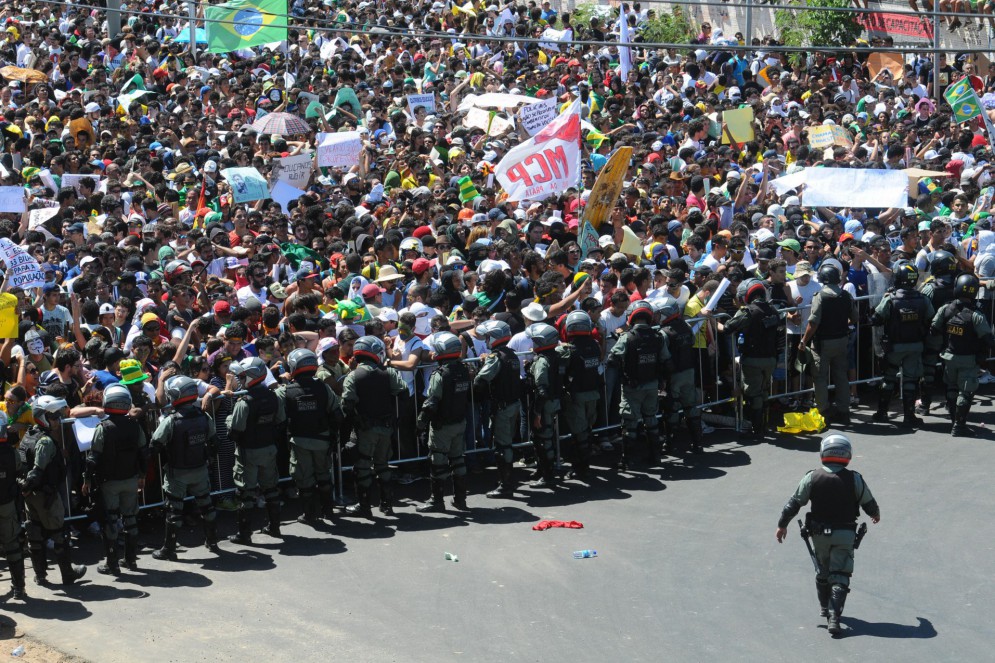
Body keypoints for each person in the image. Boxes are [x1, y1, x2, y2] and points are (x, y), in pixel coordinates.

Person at [775, 433, 881, 636]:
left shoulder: (812, 477)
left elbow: (793, 504)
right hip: (845, 535)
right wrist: (875, 514)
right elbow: (869, 503)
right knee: (840, 574)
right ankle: (834, 616)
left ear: (823, 452)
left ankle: (824, 607)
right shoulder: (855, 478)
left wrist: (782, 525)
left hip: (819, 535)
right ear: (847, 454)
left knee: (822, 570)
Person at [19, 395, 86, 585]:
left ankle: (40, 575)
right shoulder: (45, 442)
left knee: (35, 533)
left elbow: (21, 466)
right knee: (59, 533)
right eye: (53, 417)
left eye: (58, 416)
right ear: (42, 417)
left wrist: (24, 489)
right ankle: (67, 574)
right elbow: (37, 471)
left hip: (32, 496)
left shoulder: (29, 435)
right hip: (46, 494)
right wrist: (29, 485)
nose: (57, 420)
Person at [151, 376, 220, 560]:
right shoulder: (204, 416)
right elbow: (214, 441)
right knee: (206, 505)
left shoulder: (171, 421)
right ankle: (212, 541)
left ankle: (169, 549)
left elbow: (155, 444)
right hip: (199, 469)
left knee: (174, 511)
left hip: (178, 473)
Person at [84, 384, 148, 574]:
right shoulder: (135, 427)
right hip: (130, 479)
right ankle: (131, 561)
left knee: (111, 520)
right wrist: (142, 475)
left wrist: (87, 480)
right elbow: (144, 453)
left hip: (109, 482)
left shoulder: (104, 428)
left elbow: (92, 458)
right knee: (131, 519)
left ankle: (112, 564)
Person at [341, 336, 407, 518]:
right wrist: (395, 417)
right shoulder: (389, 373)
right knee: (383, 465)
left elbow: (346, 404)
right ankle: (387, 505)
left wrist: (352, 422)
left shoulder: (353, 376)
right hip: (386, 427)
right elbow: (403, 393)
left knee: (362, 467)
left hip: (364, 430)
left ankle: (364, 507)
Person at [276, 349, 342, 525]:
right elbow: (337, 414)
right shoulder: (324, 387)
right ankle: (328, 511)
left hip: (299, 441)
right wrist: (332, 434)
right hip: (322, 438)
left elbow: (280, 420)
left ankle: (309, 515)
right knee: (323, 475)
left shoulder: (285, 392)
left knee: (305, 479)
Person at [226, 358, 286, 543]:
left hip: (249, 451)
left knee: (246, 493)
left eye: (242, 376)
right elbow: (281, 421)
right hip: (268, 448)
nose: (239, 379)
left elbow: (235, 431)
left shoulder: (244, 402)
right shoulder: (274, 396)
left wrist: (229, 419)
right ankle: (275, 527)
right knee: (271, 489)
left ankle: (244, 535)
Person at [870, 262, 934, 428]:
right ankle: (909, 416)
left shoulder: (890, 299)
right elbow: (931, 320)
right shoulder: (923, 299)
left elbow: (876, 318)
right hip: (915, 345)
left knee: (888, 379)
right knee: (911, 381)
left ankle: (882, 413)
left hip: (894, 346)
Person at [930, 274, 995, 436]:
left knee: (951, 390)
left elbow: (934, 329)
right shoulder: (976, 315)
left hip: (948, 357)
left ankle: (954, 421)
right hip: (968, 360)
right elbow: (988, 340)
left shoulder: (946, 309)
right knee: (965, 392)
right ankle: (959, 426)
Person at [609, 300, 670, 469]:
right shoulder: (659, 337)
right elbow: (666, 360)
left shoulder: (627, 338)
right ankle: (655, 457)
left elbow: (612, 359)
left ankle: (627, 460)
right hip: (652, 385)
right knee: (651, 419)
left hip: (632, 387)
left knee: (630, 423)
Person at [415, 332, 471, 513]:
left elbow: (432, 402)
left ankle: (436, 501)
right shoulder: (464, 369)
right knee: (458, 461)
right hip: (459, 422)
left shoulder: (440, 374)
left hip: (442, 426)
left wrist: (421, 423)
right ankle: (461, 501)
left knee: (437, 462)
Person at [800, 265, 858, 425]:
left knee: (820, 378)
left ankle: (823, 412)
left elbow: (813, 323)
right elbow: (854, 317)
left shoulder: (820, 296)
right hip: (841, 340)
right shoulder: (845, 295)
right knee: (841, 376)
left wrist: (804, 341)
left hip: (823, 343)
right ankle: (844, 412)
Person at [724, 278, 780, 442]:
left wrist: (713, 321)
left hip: (753, 359)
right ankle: (763, 425)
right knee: (762, 391)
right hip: (770, 358)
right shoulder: (772, 310)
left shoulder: (748, 311)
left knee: (752, 394)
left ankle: (757, 429)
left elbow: (728, 327)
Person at [473, 320, 524, 498]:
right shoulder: (512, 354)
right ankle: (507, 480)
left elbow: (481, 380)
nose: (486, 339)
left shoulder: (496, 357)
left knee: (502, 446)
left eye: (488, 336)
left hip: (502, 406)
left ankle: (506, 485)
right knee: (507, 444)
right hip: (513, 404)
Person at [557, 311, 603, 480]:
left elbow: (561, 371)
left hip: (576, 395)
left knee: (579, 433)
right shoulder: (595, 345)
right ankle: (584, 465)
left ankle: (580, 468)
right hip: (593, 393)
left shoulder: (568, 349)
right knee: (587, 430)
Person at [656, 297, 704, 454]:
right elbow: (690, 342)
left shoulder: (664, 333)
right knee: (690, 406)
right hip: (688, 370)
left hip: (674, 374)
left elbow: (663, 356)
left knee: (672, 408)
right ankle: (697, 443)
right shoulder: (685, 326)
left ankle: (669, 444)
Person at [917, 250, 957, 416]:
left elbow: (921, 310)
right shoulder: (958, 285)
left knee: (928, 370)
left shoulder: (930, 288)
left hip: (933, 334)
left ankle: (925, 404)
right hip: (953, 334)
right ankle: (951, 404)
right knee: (950, 369)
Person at [525, 323, 563, 488]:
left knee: (544, 439)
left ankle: (547, 475)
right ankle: (542, 469)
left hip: (544, 404)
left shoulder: (542, 361)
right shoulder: (556, 356)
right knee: (542, 437)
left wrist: (537, 413)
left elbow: (541, 389)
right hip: (554, 401)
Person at [0, 415, 26, 599]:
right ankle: (19, 587)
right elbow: (19, 475)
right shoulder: (12, 452)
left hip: (7, 502)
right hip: (7, 504)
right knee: (12, 545)